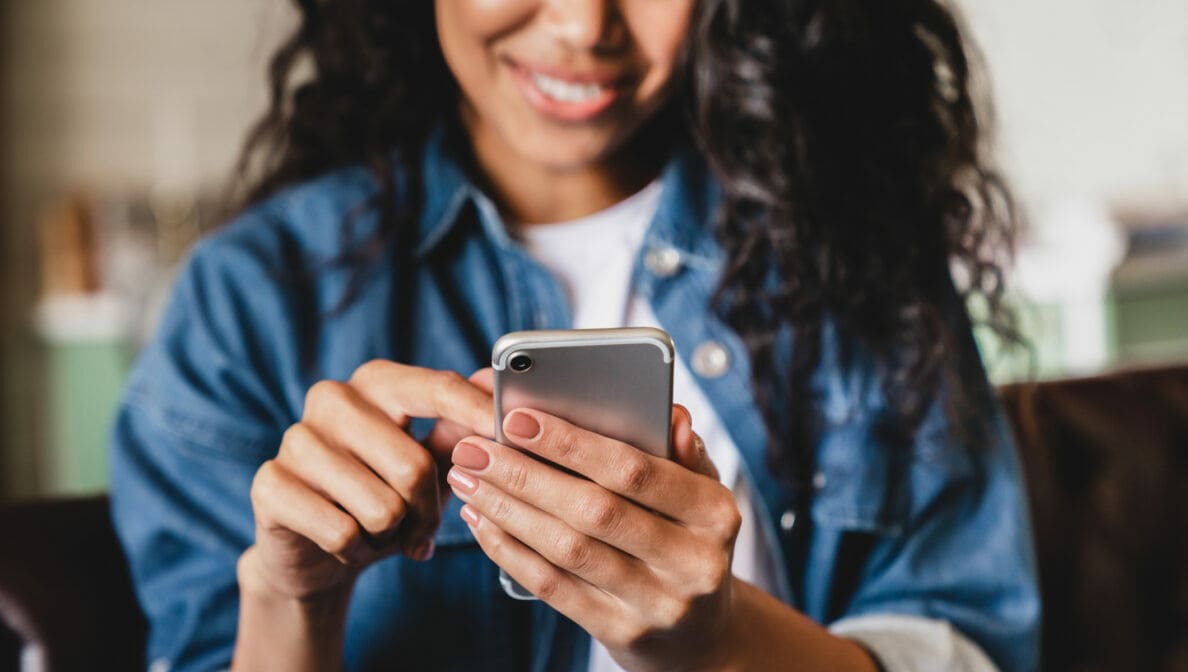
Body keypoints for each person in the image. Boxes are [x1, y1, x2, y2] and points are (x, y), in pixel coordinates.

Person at [110, 1, 1040, 671]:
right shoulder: (252, 299)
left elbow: (963, 641)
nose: (584, 24)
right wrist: (290, 598)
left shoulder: (854, 250)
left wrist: (715, 649)